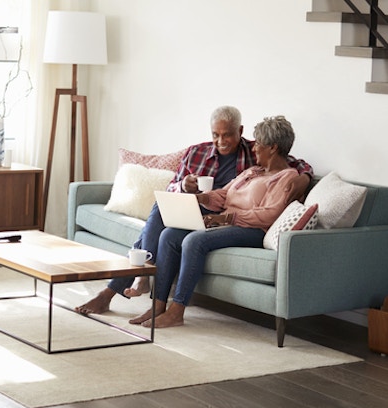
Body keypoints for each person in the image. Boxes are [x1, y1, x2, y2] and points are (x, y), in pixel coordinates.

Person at [75, 106, 313, 315]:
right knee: (161, 209)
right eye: (215, 135)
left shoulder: (255, 155)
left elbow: (288, 162)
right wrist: (187, 189)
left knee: (181, 237)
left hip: (225, 218)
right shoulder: (204, 154)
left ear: (240, 131)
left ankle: (135, 282)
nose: (221, 141)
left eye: (227, 134)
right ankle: (145, 282)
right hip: (201, 206)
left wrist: (305, 177)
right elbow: (189, 189)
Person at [133, 115, 299, 327]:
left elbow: (270, 213)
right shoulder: (252, 172)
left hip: (253, 229)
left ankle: (177, 310)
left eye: (259, 144)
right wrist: (200, 198)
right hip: (227, 223)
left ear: (273, 148)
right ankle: (158, 305)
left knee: (194, 241)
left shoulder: (287, 177)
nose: (255, 148)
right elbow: (224, 194)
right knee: (170, 234)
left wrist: (226, 217)